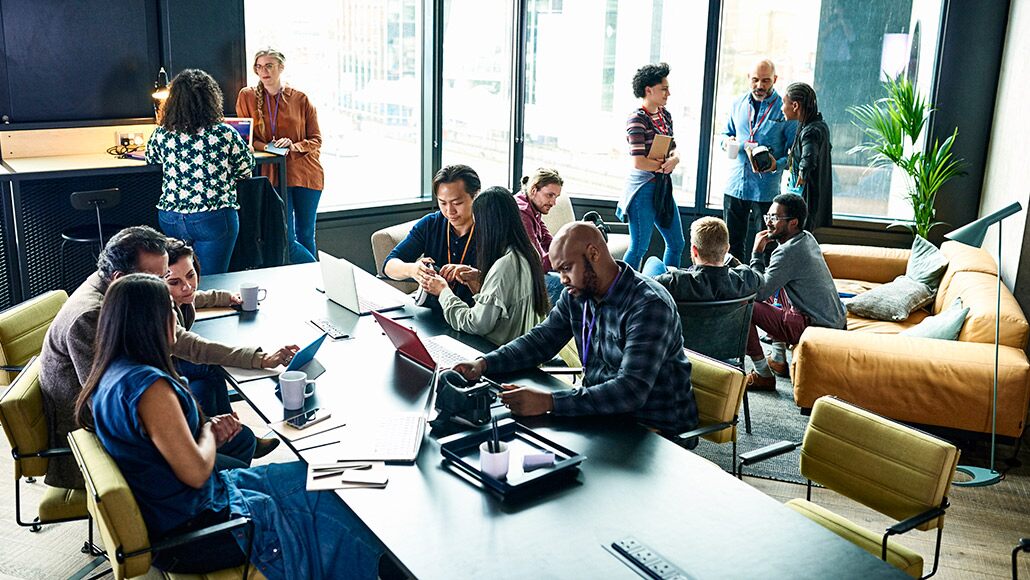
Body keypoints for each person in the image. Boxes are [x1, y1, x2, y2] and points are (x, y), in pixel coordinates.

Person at [73, 274, 382, 578]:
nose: (176, 316)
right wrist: (208, 433)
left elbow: (161, 450)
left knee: (324, 475)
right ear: (148, 322)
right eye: (169, 308)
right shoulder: (151, 390)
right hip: (200, 530)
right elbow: (195, 473)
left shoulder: (111, 373)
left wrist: (205, 434)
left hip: (190, 509)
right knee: (335, 504)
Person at [39, 226, 297, 489]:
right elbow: (107, 407)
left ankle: (223, 491)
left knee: (239, 439)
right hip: (103, 441)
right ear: (121, 278)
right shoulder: (90, 317)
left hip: (134, 418)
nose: (168, 295)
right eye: (159, 281)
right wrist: (189, 430)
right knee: (254, 472)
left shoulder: (118, 289)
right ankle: (221, 495)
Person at [453, 222, 698, 436]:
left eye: (566, 268)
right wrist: (483, 364)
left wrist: (549, 402)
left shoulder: (648, 305)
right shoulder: (578, 294)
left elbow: (631, 391)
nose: (562, 279)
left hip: (653, 429)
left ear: (593, 254)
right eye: (559, 271)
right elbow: (540, 341)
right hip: (604, 416)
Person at [164, 239, 283, 462]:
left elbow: (194, 297)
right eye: (174, 282)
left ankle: (228, 427)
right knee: (210, 364)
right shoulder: (161, 309)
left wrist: (225, 297)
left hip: (174, 361)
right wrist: (259, 359)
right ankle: (232, 429)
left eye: (191, 275)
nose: (187, 286)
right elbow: (197, 348)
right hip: (168, 365)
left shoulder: (178, 295)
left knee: (209, 379)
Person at [146, 69, 255, 275]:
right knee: (212, 279)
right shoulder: (224, 133)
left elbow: (152, 158)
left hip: (171, 217)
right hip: (213, 216)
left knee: (179, 279)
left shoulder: (162, 133)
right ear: (211, 99)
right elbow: (245, 170)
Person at [419, 187, 550, 346]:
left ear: (488, 225)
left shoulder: (504, 266)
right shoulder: (528, 252)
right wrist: (481, 278)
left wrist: (443, 291)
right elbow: (506, 303)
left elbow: (475, 324)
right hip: (523, 348)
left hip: (496, 351)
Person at [746, 194, 846, 390]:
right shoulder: (807, 238)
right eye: (768, 216)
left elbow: (759, 293)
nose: (768, 222)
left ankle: (763, 374)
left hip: (816, 327)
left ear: (793, 223)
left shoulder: (787, 252)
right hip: (835, 321)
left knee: (744, 306)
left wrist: (756, 254)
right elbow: (772, 282)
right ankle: (778, 358)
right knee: (778, 282)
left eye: (775, 218)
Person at [235, 48, 323, 264]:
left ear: (281, 68)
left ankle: (312, 280)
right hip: (274, 174)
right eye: (259, 67)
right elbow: (246, 138)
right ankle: (319, 273)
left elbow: (316, 139)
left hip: (306, 174)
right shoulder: (247, 96)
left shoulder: (300, 98)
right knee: (286, 238)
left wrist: (294, 145)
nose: (263, 71)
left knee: (306, 234)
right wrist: (267, 146)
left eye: (269, 66)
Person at [720, 59, 797, 262]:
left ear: (775, 79)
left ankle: (764, 282)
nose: (760, 85)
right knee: (731, 245)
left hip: (766, 190)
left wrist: (776, 164)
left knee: (768, 245)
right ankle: (735, 281)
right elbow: (725, 134)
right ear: (748, 78)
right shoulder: (737, 104)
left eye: (765, 80)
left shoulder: (784, 109)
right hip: (736, 185)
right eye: (755, 80)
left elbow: (795, 154)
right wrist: (726, 142)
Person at [383, 164, 481, 308]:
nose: (449, 211)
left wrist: (476, 277)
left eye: (457, 203)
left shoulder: (491, 229)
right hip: (431, 310)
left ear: (476, 196)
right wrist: (413, 270)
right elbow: (389, 265)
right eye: (443, 203)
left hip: (471, 313)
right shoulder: (431, 224)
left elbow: (506, 286)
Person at [618, 62, 685, 271]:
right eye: (664, 89)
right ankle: (624, 288)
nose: (668, 93)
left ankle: (668, 284)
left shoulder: (665, 115)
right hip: (643, 188)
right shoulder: (637, 119)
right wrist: (665, 164)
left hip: (662, 186)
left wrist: (674, 159)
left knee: (677, 243)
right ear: (649, 90)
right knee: (639, 247)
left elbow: (673, 148)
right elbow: (639, 162)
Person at [642, 217, 761, 302]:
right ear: (727, 249)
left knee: (654, 262)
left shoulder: (674, 282)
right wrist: (757, 253)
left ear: (694, 250)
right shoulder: (746, 279)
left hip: (681, 330)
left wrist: (670, 272)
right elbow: (760, 277)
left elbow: (643, 289)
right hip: (728, 331)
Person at [782, 82, 833, 231]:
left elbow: (809, 157)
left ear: (795, 106)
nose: (782, 108)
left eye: (784, 103)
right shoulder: (816, 125)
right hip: (809, 199)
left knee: (798, 237)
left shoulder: (810, 131)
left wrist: (802, 173)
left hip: (805, 200)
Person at [514, 167, 565, 304]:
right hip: (519, 275)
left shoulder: (533, 208)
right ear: (533, 190)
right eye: (550, 195)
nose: (553, 203)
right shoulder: (522, 212)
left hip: (529, 270)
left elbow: (549, 242)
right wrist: (565, 255)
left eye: (556, 197)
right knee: (563, 284)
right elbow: (538, 263)